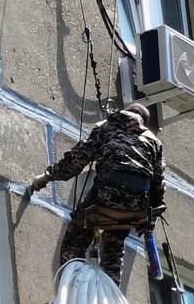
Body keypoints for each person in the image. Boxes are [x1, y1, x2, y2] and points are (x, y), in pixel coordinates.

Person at [25, 102, 166, 283]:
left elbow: (76, 161)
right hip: (133, 208)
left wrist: (47, 177)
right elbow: (158, 185)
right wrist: (150, 218)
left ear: (126, 112)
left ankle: (68, 287)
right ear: (143, 121)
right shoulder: (154, 142)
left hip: (103, 199)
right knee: (114, 250)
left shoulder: (106, 127)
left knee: (75, 238)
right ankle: (112, 288)